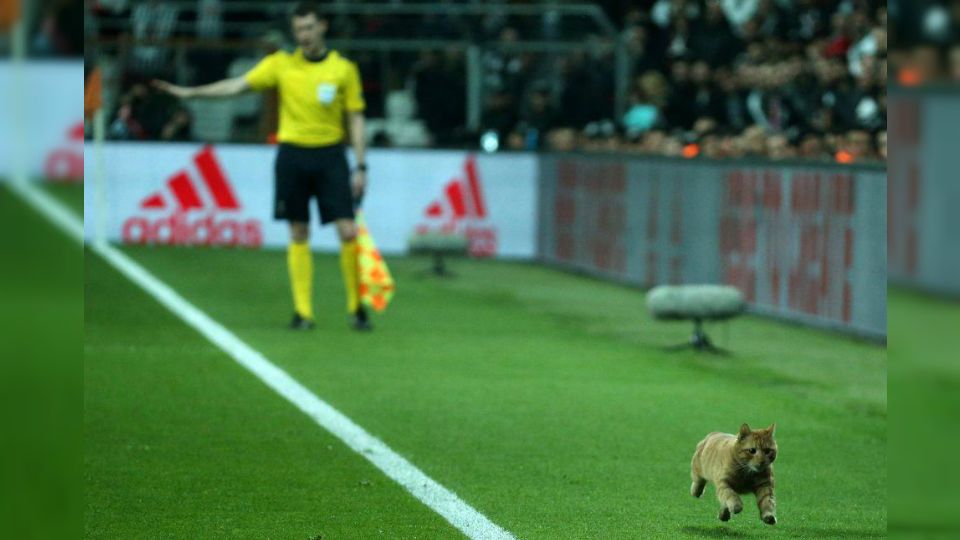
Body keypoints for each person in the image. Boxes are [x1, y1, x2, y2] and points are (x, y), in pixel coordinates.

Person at [153, 1, 371, 331]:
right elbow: (237, 85)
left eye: (310, 28)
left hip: (331, 156)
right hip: (292, 155)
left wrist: (361, 165)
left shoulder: (343, 69)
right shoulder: (281, 64)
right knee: (298, 230)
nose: (305, 35)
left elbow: (355, 118)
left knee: (348, 230)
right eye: (299, 30)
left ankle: (357, 309)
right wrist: (192, 93)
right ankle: (303, 313)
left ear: (323, 27)